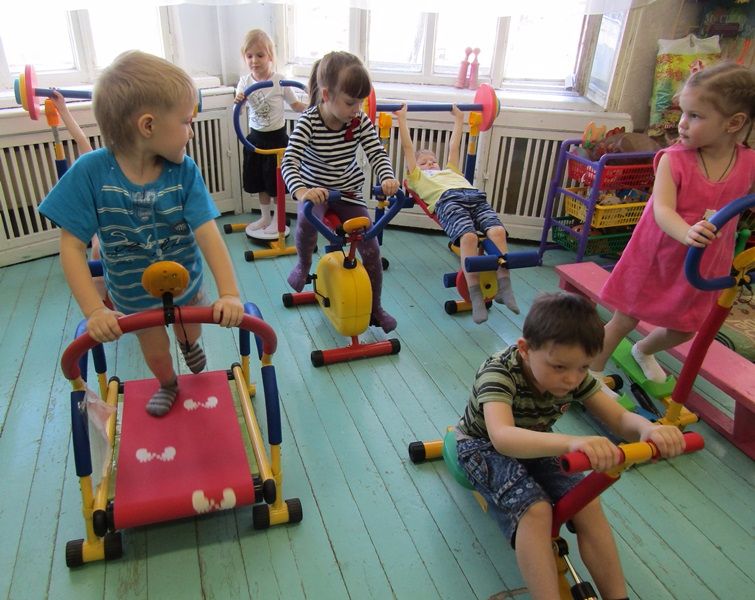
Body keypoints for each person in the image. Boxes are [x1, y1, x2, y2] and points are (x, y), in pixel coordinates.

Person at [39, 50, 244, 417]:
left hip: (186, 284)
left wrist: (229, 293)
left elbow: (208, 233)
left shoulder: (184, 172)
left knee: (190, 329)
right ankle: (168, 383)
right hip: (133, 296)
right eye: (186, 122)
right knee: (155, 350)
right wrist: (94, 310)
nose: (191, 132)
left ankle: (189, 346)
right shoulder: (91, 173)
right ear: (148, 126)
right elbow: (70, 246)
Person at [455, 291, 686, 600]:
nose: (571, 380)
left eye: (583, 367)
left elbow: (619, 418)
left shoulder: (574, 375)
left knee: (587, 502)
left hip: (538, 441)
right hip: (483, 447)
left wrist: (649, 428)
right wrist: (574, 442)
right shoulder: (498, 373)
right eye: (559, 367)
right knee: (536, 510)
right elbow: (503, 437)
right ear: (525, 349)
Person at [589, 62, 755, 390]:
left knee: (686, 327)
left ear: (734, 123)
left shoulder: (748, 161)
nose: (682, 123)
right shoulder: (674, 159)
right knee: (625, 318)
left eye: (695, 116)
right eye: (683, 113)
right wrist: (686, 232)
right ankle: (591, 376)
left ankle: (643, 350)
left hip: (706, 261)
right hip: (657, 255)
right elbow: (662, 209)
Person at [281, 51, 400, 332]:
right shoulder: (309, 121)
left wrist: (387, 177)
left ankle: (375, 308)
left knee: (370, 246)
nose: (357, 109)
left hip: (347, 192)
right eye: (350, 102)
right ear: (326, 95)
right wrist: (302, 191)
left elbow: (377, 153)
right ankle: (303, 265)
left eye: (361, 102)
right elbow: (290, 160)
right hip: (316, 191)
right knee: (307, 220)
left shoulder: (359, 121)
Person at [395, 104, 518, 324]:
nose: (430, 163)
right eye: (424, 163)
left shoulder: (450, 171)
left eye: (433, 161)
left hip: (475, 197)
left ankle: (504, 288)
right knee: (468, 237)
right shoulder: (417, 177)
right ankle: (475, 297)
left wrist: (459, 119)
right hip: (448, 201)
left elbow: (454, 146)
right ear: (414, 168)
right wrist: (402, 119)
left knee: (498, 232)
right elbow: (407, 147)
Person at [234, 29, 306, 235]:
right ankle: (265, 217)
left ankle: (278, 218)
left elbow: (296, 105)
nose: (254, 60)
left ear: (270, 57)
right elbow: (239, 104)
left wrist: (315, 107)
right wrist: (238, 100)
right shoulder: (245, 82)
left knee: (276, 183)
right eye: (249, 56)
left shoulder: (279, 81)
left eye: (260, 55)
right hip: (255, 141)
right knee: (260, 182)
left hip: (277, 140)